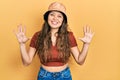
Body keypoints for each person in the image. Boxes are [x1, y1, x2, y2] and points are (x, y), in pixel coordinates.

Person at [14, 2, 94, 80]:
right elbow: (26, 62)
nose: (55, 18)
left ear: (63, 20)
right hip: (44, 76)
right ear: (47, 17)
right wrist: (22, 44)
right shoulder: (38, 36)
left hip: (64, 76)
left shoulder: (69, 36)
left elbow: (80, 61)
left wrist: (86, 44)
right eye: (52, 14)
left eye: (59, 16)